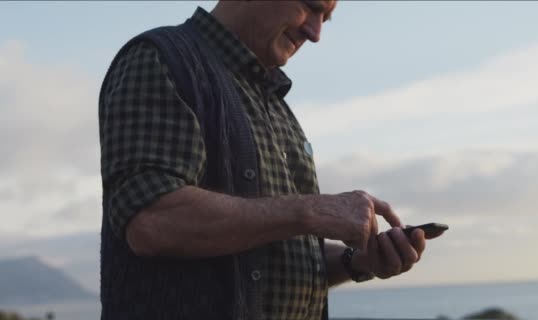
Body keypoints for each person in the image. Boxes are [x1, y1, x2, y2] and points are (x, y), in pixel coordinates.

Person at [98, 1, 444, 319]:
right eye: (311, 7)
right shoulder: (161, 59)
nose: (315, 33)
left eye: (325, 18)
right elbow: (151, 221)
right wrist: (310, 211)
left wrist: (357, 261)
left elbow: (276, 258)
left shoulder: (276, 106)